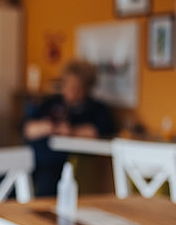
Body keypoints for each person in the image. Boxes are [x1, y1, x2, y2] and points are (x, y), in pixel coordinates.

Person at [22, 60, 115, 196]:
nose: (72, 91)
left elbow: (97, 131)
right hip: (33, 158)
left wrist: (71, 131)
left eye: (77, 87)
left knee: (47, 182)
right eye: (68, 85)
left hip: (62, 163)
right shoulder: (51, 103)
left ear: (87, 88)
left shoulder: (96, 109)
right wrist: (50, 127)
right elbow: (28, 129)